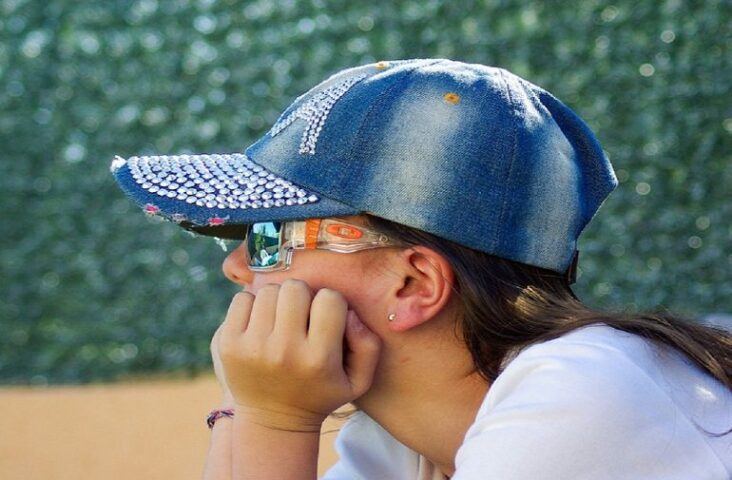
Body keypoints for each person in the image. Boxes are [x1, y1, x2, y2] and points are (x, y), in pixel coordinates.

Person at [111, 59, 732, 479]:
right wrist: (261, 416)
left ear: (413, 283)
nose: (240, 267)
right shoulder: (405, 440)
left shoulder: (583, 394)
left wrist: (271, 420)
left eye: (269, 235)